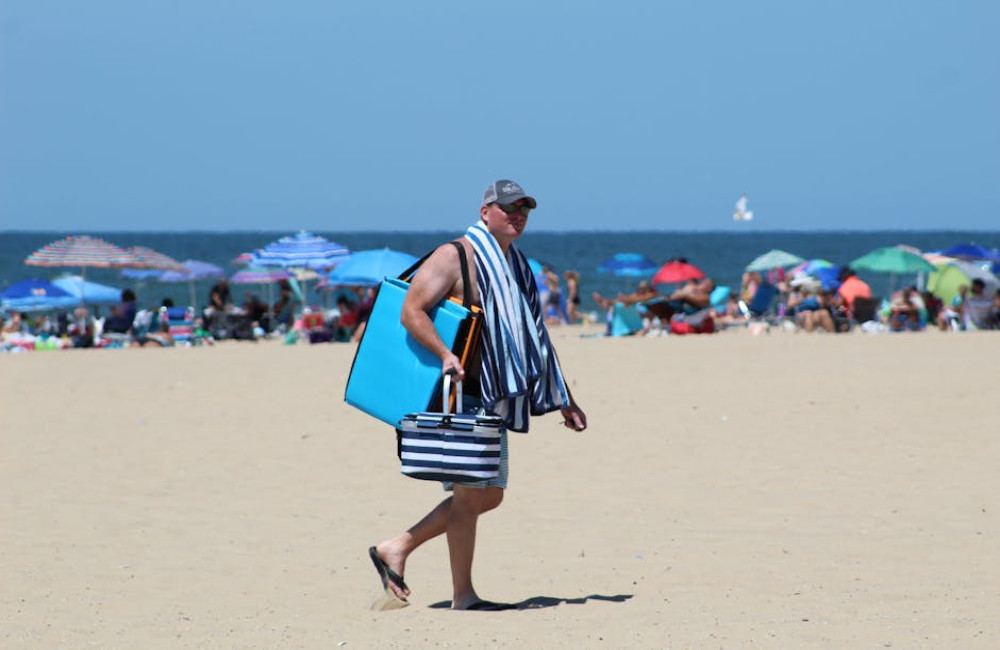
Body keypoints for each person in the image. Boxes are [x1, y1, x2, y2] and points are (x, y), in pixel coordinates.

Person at [370, 179, 587, 612]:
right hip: (464, 394)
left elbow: (534, 336)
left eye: (525, 207)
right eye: (509, 207)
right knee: (473, 496)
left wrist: (563, 396)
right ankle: (463, 596)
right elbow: (411, 310)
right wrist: (445, 353)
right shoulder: (455, 256)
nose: (518, 214)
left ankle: (397, 547)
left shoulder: (517, 265)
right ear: (486, 211)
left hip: (495, 397)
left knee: (491, 494)